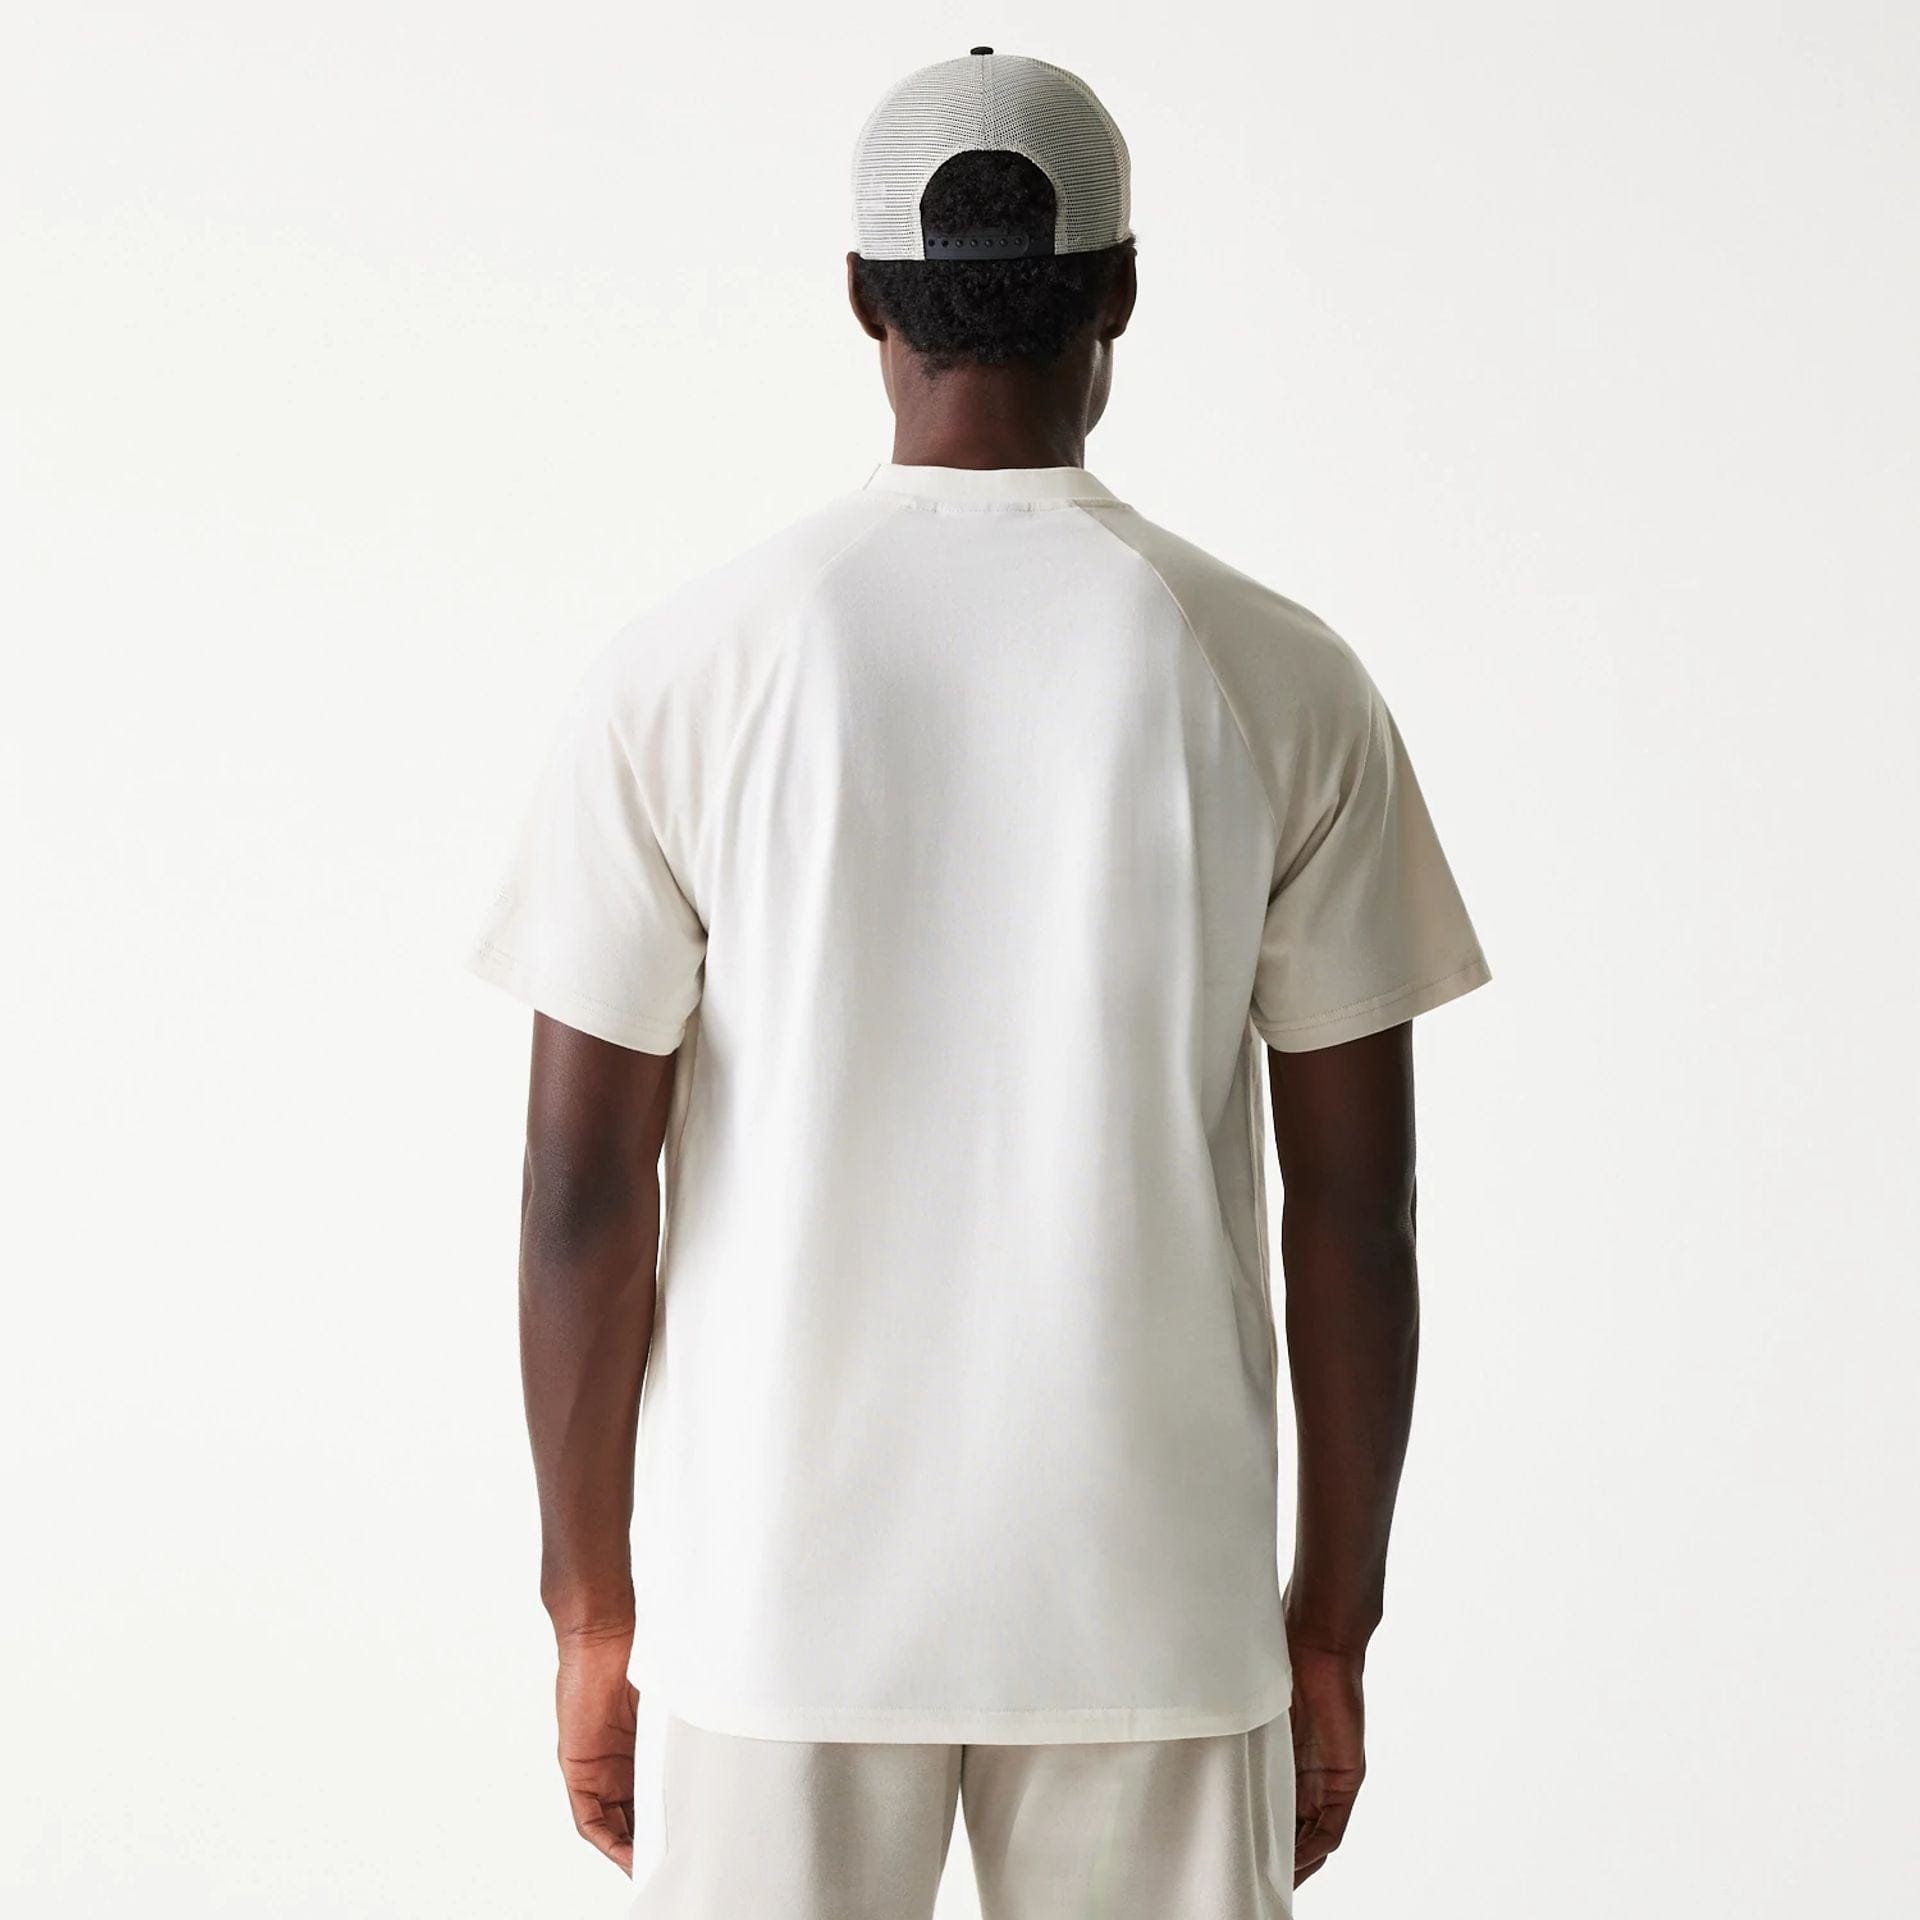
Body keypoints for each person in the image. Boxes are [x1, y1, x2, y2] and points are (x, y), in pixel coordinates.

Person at [469, 48, 1490, 1920]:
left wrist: (591, 1611)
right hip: (1153, 1599)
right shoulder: (1279, 676)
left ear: (862, 296)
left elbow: (581, 1191)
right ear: (1121, 291)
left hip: (777, 1605)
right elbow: (1359, 1208)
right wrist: (1330, 1625)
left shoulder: (687, 671)